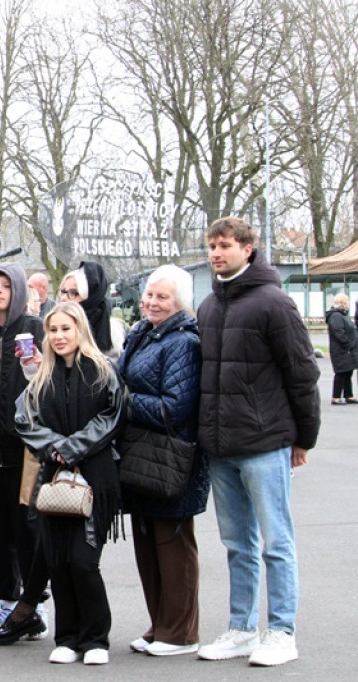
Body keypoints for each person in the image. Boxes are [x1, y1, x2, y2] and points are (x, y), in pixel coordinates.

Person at [195, 217, 320, 667]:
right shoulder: (208, 305)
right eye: (211, 245)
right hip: (222, 449)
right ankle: (242, 629)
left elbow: (302, 375)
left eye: (224, 245)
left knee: (276, 543)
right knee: (237, 545)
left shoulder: (274, 303)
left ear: (248, 249)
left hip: (266, 444)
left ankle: (282, 631)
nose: (215, 253)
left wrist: (304, 438)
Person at [14, 301, 125, 665]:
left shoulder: (102, 370)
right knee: (58, 559)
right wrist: (55, 447)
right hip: (55, 478)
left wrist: (73, 447)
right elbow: (24, 418)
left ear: (80, 330)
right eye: (53, 330)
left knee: (82, 560)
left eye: (66, 329)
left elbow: (113, 414)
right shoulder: (41, 373)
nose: (59, 337)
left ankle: (96, 639)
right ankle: (67, 637)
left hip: (96, 476)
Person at [116, 265, 209, 657]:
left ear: (180, 303)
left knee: (173, 545)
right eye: (149, 295)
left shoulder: (183, 343)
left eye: (162, 297)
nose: (152, 302)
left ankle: (180, 634)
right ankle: (159, 625)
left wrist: (122, 403)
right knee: (147, 545)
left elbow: (175, 408)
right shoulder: (143, 333)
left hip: (171, 457)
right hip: (140, 454)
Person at [0, 263, 50, 643]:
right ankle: (5, 601)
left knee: (28, 527)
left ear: (17, 289)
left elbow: (49, 381)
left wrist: (34, 370)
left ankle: (34, 605)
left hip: (26, 449)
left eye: (4, 285)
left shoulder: (35, 329)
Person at [58, 263, 125, 358]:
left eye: (73, 293)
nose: (64, 298)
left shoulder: (109, 330)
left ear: (90, 297)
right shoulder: (56, 325)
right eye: (63, 292)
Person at [326, 293, 358, 405]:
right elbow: (339, 332)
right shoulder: (336, 316)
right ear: (343, 303)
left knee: (347, 372)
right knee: (340, 373)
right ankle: (335, 397)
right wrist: (348, 344)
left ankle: (349, 395)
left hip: (346, 350)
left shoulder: (342, 315)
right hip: (341, 350)